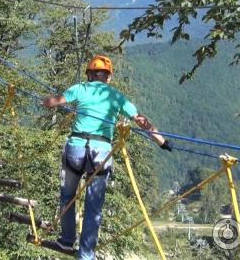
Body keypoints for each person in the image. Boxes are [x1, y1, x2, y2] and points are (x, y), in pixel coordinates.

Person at [42, 55, 172, 260]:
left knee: (68, 196)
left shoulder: (80, 89)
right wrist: (162, 142)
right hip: (101, 153)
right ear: (109, 78)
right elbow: (141, 120)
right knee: (93, 206)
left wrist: (46, 101)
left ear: (89, 74)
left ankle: (67, 240)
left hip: (75, 149)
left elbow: (52, 103)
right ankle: (86, 254)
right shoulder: (116, 97)